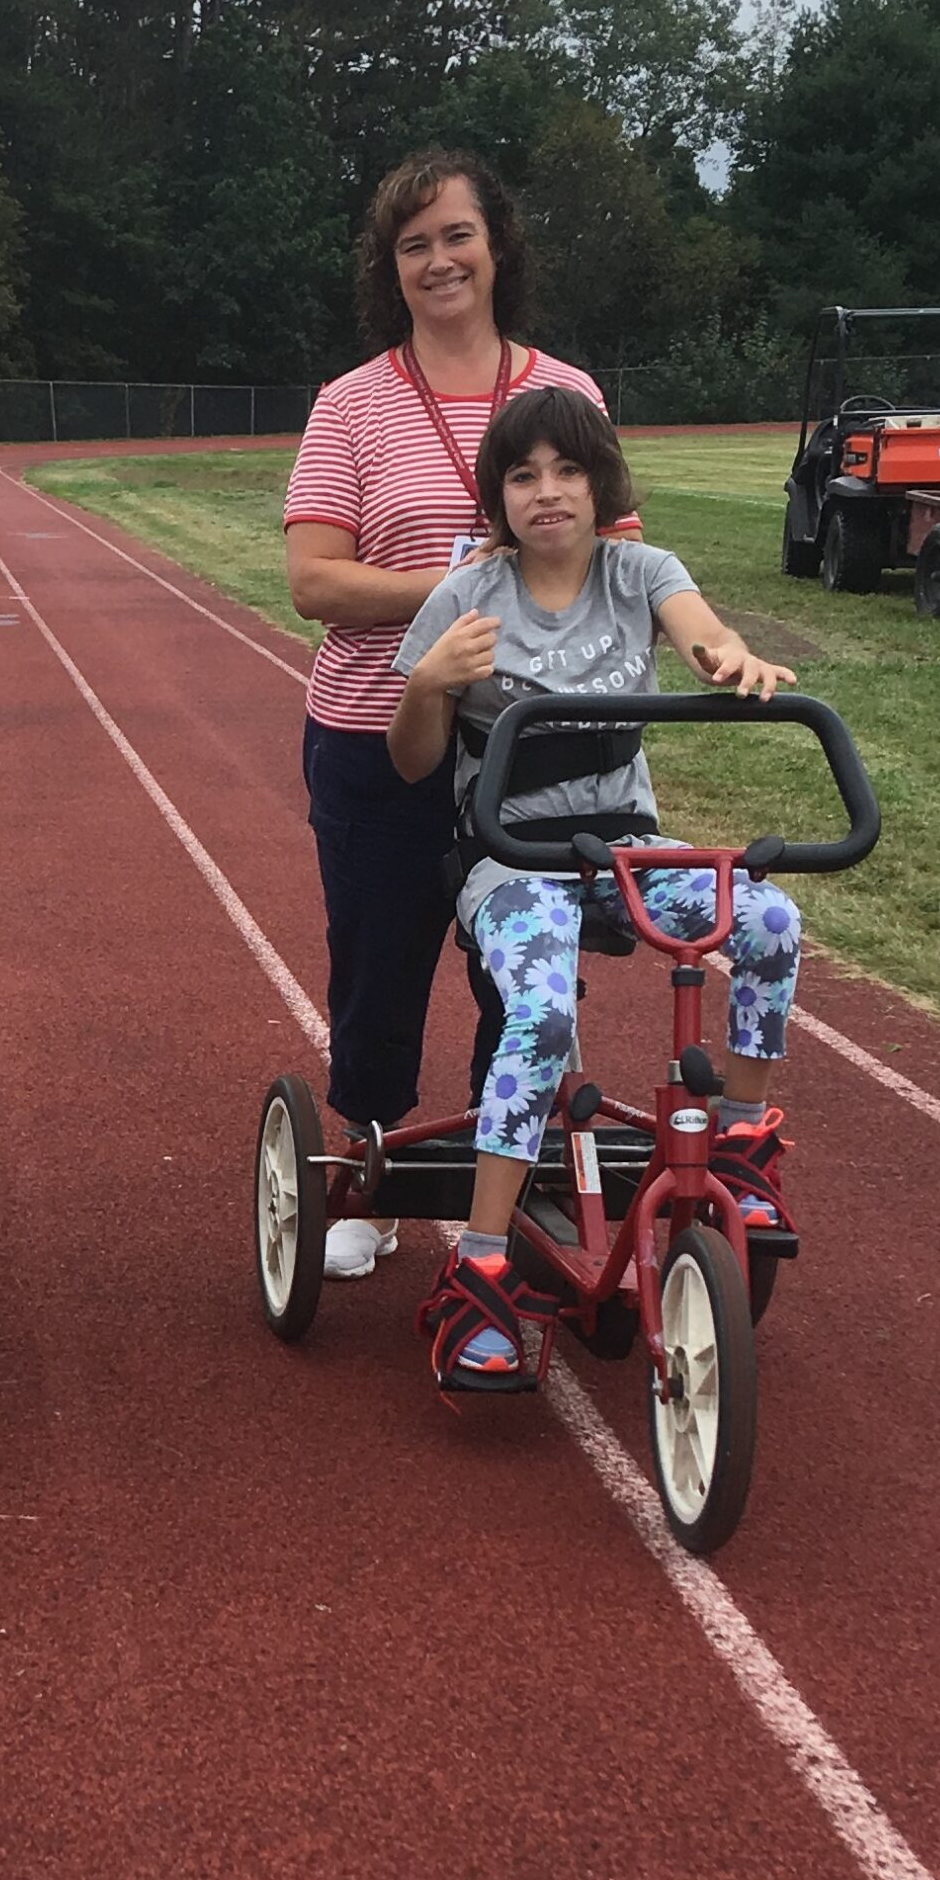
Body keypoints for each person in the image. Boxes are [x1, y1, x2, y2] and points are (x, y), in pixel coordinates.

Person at [388, 389, 802, 1384]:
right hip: (512, 858)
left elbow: (699, 633)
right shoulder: (466, 596)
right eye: (524, 474)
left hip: (626, 851)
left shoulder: (639, 572)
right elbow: (411, 763)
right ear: (497, 495)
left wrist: (727, 655)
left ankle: (740, 1148)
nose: (548, 491)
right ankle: (481, 1260)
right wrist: (428, 682)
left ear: (599, 483)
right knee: (537, 1012)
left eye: (568, 470)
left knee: (768, 917)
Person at [284, 148, 617, 1279]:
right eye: (413, 244)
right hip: (375, 737)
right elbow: (314, 581)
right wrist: (460, 591)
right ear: (391, 268)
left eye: (456, 235)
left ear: (496, 246)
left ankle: (499, 1179)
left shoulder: (567, 394)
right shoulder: (351, 403)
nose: (438, 260)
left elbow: (615, 556)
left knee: (526, 980)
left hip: (531, 754)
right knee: (379, 966)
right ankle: (372, 1176)